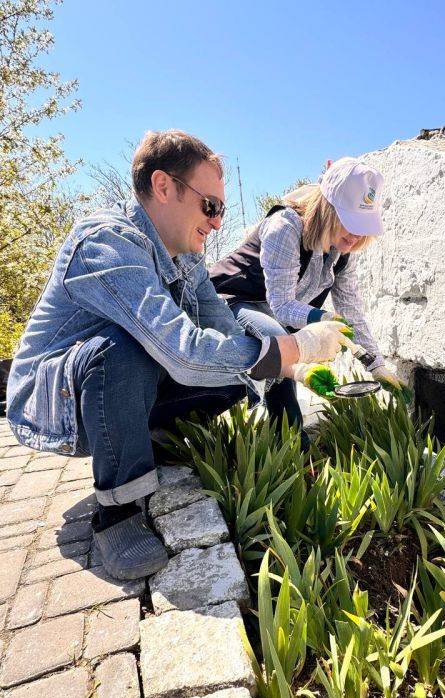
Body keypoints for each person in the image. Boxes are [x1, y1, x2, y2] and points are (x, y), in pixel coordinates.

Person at [7, 130, 351, 581]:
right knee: (124, 350)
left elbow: (227, 333)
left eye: (220, 210)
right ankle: (118, 510)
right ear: (163, 186)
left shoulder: (186, 259)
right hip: (59, 403)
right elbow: (183, 352)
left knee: (241, 366)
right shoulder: (106, 243)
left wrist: (291, 367)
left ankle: (146, 440)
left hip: (120, 391)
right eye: (210, 206)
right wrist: (296, 344)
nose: (216, 222)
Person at [209, 157, 405, 434]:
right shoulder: (285, 226)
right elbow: (281, 305)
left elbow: (351, 312)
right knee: (279, 341)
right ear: (328, 209)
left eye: (362, 225)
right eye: (350, 221)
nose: (355, 235)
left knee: (281, 352)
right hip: (229, 301)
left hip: (273, 316)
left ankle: (283, 441)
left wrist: (376, 365)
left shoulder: (341, 253)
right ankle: (294, 445)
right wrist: (322, 318)